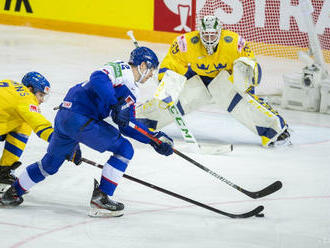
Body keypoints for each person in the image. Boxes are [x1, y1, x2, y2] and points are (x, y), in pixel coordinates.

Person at [0, 47, 174, 218]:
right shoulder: (124, 69)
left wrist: (153, 138)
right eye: (151, 70)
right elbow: (98, 77)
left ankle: (13, 193)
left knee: (50, 164)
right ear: (143, 65)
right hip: (80, 118)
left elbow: (127, 125)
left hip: (66, 117)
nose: (151, 75)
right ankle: (101, 199)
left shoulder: (133, 91)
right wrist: (114, 103)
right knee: (125, 150)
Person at [136, 15, 290, 148]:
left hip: (225, 81)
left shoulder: (234, 43)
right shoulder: (186, 43)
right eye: (206, 35)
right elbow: (170, 66)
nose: (209, 39)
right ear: (199, 33)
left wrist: (247, 89)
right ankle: (143, 119)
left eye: (213, 35)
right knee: (173, 100)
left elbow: (250, 69)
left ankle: (275, 129)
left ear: (220, 33)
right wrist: (167, 86)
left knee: (241, 104)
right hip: (198, 79)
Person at [0, 72, 53, 193]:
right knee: (26, 123)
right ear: (30, 89)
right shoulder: (27, 98)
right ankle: (4, 170)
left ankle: (4, 169)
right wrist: (56, 139)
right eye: (40, 95)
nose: (42, 100)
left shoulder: (8, 83)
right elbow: (37, 121)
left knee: (23, 123)